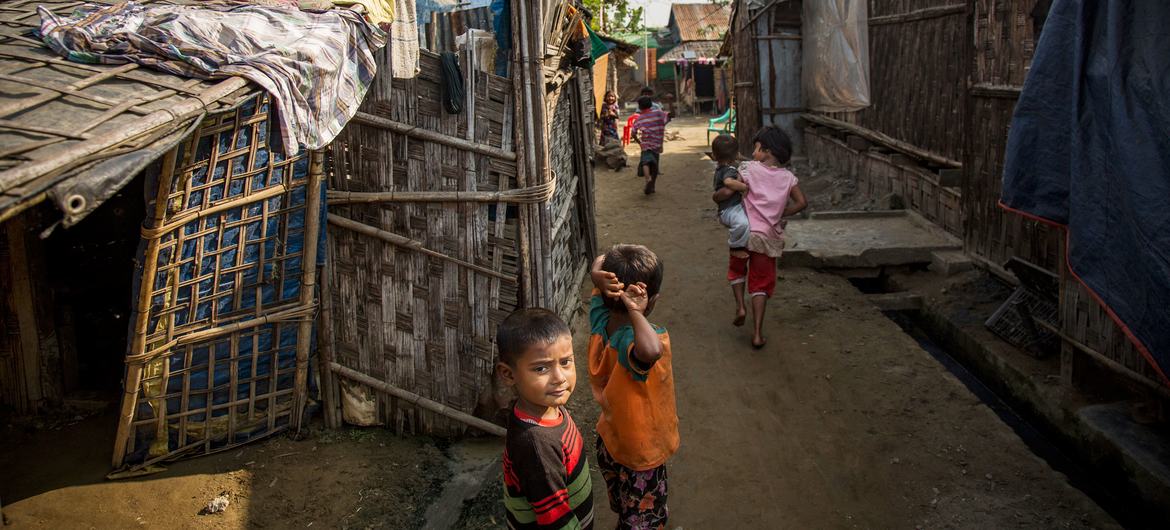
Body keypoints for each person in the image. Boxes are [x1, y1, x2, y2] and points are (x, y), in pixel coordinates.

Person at [587, 245, 679, 529]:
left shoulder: (600, 319)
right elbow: (650, 352)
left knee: (625, 505)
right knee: (642, 518)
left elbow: (601, 259)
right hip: (641, 453)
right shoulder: (635, 343)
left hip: (611, 438)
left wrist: (595, 275)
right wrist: (637, 313)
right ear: (652, 301)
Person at [496, 308, 594, 529]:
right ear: (509, 375)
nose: (559, 378)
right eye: (541, 368)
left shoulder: (545, 407)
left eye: (566, 362)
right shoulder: (537, 447)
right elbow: (556, 520)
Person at [712, 126, 807, 349]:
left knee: (737, 271)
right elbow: (802, 203)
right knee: (760, 284)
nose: (753, 152)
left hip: (745, 235)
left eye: (756, 148)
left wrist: (718, 196)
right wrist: (780, 213)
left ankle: (740, 307)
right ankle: (756, 334)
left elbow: (726, 190)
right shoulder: (789, 178)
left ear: (766, 151)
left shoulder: (747, 168)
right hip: (767, 238)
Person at [711, 134, 750, 274]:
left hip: (729, 208)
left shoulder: (721, 168)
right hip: (730, 209)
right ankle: (735, 247)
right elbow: (728, 183)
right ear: (735, 154)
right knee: (743, 223)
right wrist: (744, 187)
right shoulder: (729, 170)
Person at [632, 96, 668, 195]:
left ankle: (648, 179)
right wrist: (670, 101)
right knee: (655, 166)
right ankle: (652, 186)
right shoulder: (659, 113)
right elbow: (671, 115)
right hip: (657, 145)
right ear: (651, 104)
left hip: (646, 144)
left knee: (645, 162)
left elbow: (633, 133)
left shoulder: (639, 118)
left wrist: (639, 143)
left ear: (639, 107)